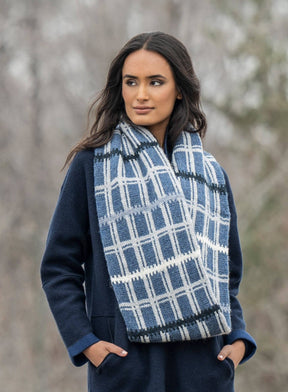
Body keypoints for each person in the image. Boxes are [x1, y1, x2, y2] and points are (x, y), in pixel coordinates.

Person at [40, 31, 256, 392]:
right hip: (127, 366)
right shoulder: (93, 166)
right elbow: (58, 266)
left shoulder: (210, 174)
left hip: (204, 365)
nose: (140, 95)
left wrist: (236, 341)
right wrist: (87, 344)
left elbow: (227, 274)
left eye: (155, 82)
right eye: (131, 82)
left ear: (180, 89)